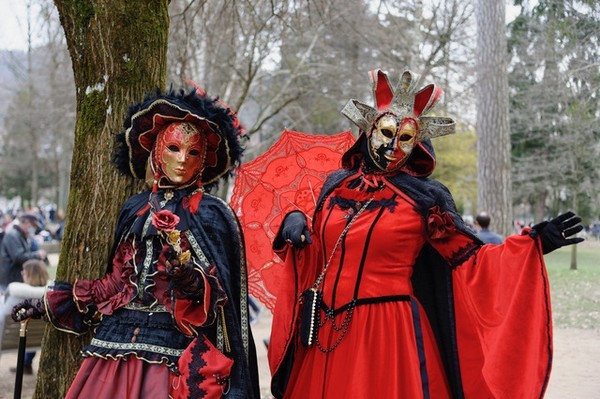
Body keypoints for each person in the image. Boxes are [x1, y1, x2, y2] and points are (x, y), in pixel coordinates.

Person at [267, 70, 584, 399]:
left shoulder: (425, 199)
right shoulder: (336, 186)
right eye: (386, 132)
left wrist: (533, 244)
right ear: (368, 130)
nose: (392, 145)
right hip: (323, 334)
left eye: (404, 138)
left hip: (387, 336)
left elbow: (470, 260)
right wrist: (295, 219)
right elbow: (320, 251)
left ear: (417, 144)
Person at [12, 88, 260, 398]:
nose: (182, 160)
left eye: (193, 152)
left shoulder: (212, 213)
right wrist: (45, 304)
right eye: (173, 148)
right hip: (116, 341)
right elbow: (117, 283)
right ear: (156, 149)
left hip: (176, 351)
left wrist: (187, 275)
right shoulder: (136, 208)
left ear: (205, 160)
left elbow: (220, 301)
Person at [0, 259, 49, 374]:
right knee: (32, 326)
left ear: (31, 275)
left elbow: (3, 317)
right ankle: (26, 363)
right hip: (36, 339)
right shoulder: (49, 296)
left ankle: (25, 364)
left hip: (8, 338)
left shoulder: (15, 292)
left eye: (24, 272)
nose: (21, 273)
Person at [0, 213, 47, 292]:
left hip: (16, 278)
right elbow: (18, 256)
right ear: (26, 222)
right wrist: (37, 255)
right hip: (10, 280)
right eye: (32, 226)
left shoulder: (21, 235)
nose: (33, 228)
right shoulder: (13, 235)